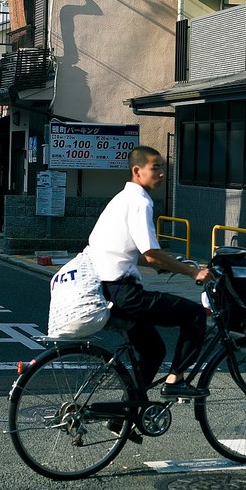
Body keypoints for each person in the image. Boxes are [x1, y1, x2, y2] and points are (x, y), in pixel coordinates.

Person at [87, 145, 211, 400]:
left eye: (163, 167)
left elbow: (140, 255)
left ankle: (123, 417)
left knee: (153, 351)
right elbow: (152, 254)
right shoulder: (140, 202)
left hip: (106, 290)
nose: (162, 173)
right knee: (196, 315)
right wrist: (192, 272)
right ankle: (176, 381)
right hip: (125, 293)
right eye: (155, 168)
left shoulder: (120, 199)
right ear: (137, 171)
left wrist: (170, 264)